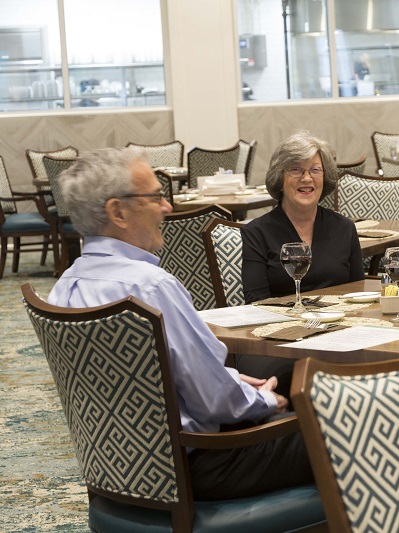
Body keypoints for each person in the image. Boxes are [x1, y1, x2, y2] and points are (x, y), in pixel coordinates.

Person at [47, 147, 313, 500]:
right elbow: (216, 403)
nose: (168, 207)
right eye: (156, 196)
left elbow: (138, 382)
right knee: (345, 428)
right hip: (199, 468)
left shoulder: (63, 288)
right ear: (118, 211)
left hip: (123, 469)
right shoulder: (150, 288)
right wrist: (266, 400)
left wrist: (230, 377)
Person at [241, 130, 364, 304]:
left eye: (315, 170)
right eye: (296, 170)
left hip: (339, 323)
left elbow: (358, 292)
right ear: (279, 178)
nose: (307, 178)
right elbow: (256, 302)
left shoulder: (344, 228)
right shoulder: (256, 233)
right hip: (282, 326)